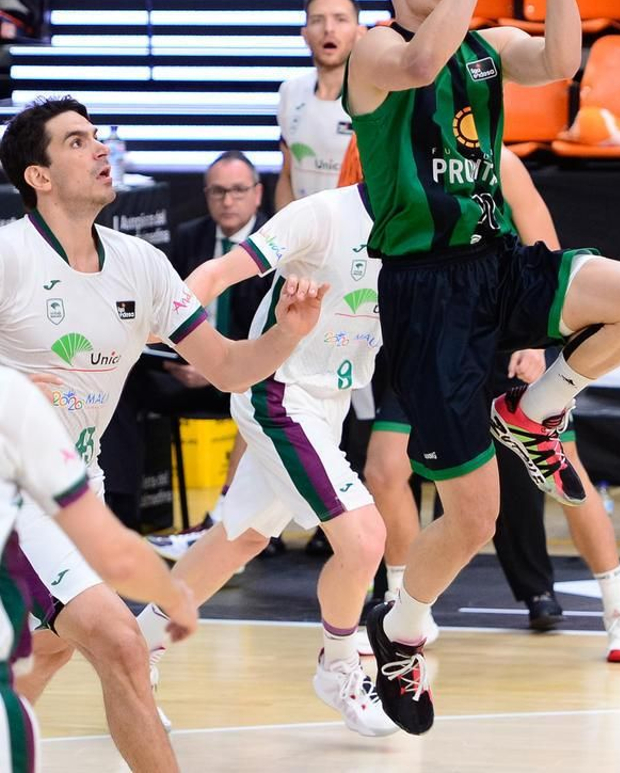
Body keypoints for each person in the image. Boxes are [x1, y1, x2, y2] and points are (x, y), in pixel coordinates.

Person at [345, 0, 620, 734]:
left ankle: (541, 410)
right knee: (476, 517)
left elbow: (560, 60)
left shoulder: (485, 49)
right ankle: (401, 628)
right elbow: (422, 66)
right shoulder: (372, 51)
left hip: (497, 263)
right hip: (427, 294)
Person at [0, 97, 327, 773]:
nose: (99, 149)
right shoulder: (9, 255)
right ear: (38, 174)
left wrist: (285, 334)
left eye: (98, 137)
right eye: (76, 141)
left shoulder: (141, 263)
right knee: (120, 641)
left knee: (54, 644)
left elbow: (230, 367)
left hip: (74, 492)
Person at [351, 142, 620, 661]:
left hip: (503, 334)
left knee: (566, 473)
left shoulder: (497, 161)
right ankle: (403, 606)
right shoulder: (390, 157)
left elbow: (545, 254)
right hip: (428, 333)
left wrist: (536, 343)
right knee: (383, 468)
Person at [133, 180, 397, 737]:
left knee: (242, 538)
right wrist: (172, 318)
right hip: (278, 392)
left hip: (333, 400)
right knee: (366, 539)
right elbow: (220, 272)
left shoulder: (427, 225)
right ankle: (340, 664)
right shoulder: (321, 215)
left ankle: (140, 644)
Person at [0, 365, 199, 773]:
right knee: (120, 642)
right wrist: (172, 596)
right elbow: (115, 554)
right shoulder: (17, 401)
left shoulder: (21, 398)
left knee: (56, 648)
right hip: (33, 514)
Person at [136, 150, 275, 557]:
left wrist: (218, 364)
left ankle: (226, 519)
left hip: (247, 372)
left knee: (261, 391)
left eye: (237, 191)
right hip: (184, 371)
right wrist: (174, 361)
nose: (227, 201)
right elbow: (159, 311)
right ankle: (118, 508)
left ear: (257, 193)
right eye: (217, 192)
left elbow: (273, 331)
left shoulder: (275, 245)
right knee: (123, 380)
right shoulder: (186, 239)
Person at [276, 0, 361, 207]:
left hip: (357, 232)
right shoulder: (290, 91)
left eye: (340, 19)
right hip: (304, 231)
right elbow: (287, 173)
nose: (328, 29)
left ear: (359, 31)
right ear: (304, 34)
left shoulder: (376, 96)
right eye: (317, 20)